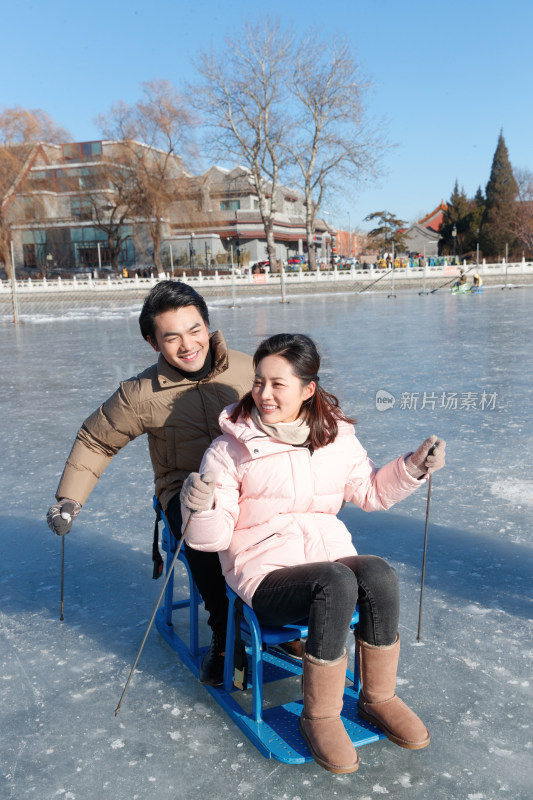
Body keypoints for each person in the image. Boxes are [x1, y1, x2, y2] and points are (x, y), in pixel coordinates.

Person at [180, 333, 446, 774]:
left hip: (326, 556)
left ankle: (379, 697)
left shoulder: (336, 437)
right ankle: (319, 714)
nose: (264, 394)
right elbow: (211, 539)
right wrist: (201, 505)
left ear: (308, 389)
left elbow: (370, 491)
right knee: (335, 581)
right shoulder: (229, 450)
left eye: (278, 384)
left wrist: (414, 467)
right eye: (259, 382)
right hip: (262, 574)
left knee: (378, 573)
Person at [46, 280, 254, 686]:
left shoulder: (248, 370)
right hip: (185, 490)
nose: (188, 344)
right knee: (202, 525)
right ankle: (225, 635)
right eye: (171, 337)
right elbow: (95, 438)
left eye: (195, 330)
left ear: (207, 326)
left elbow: (294, 410)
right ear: (153, 342)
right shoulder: (140, 394)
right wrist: (69, 500)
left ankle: (282, 612)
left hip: (248, 481)